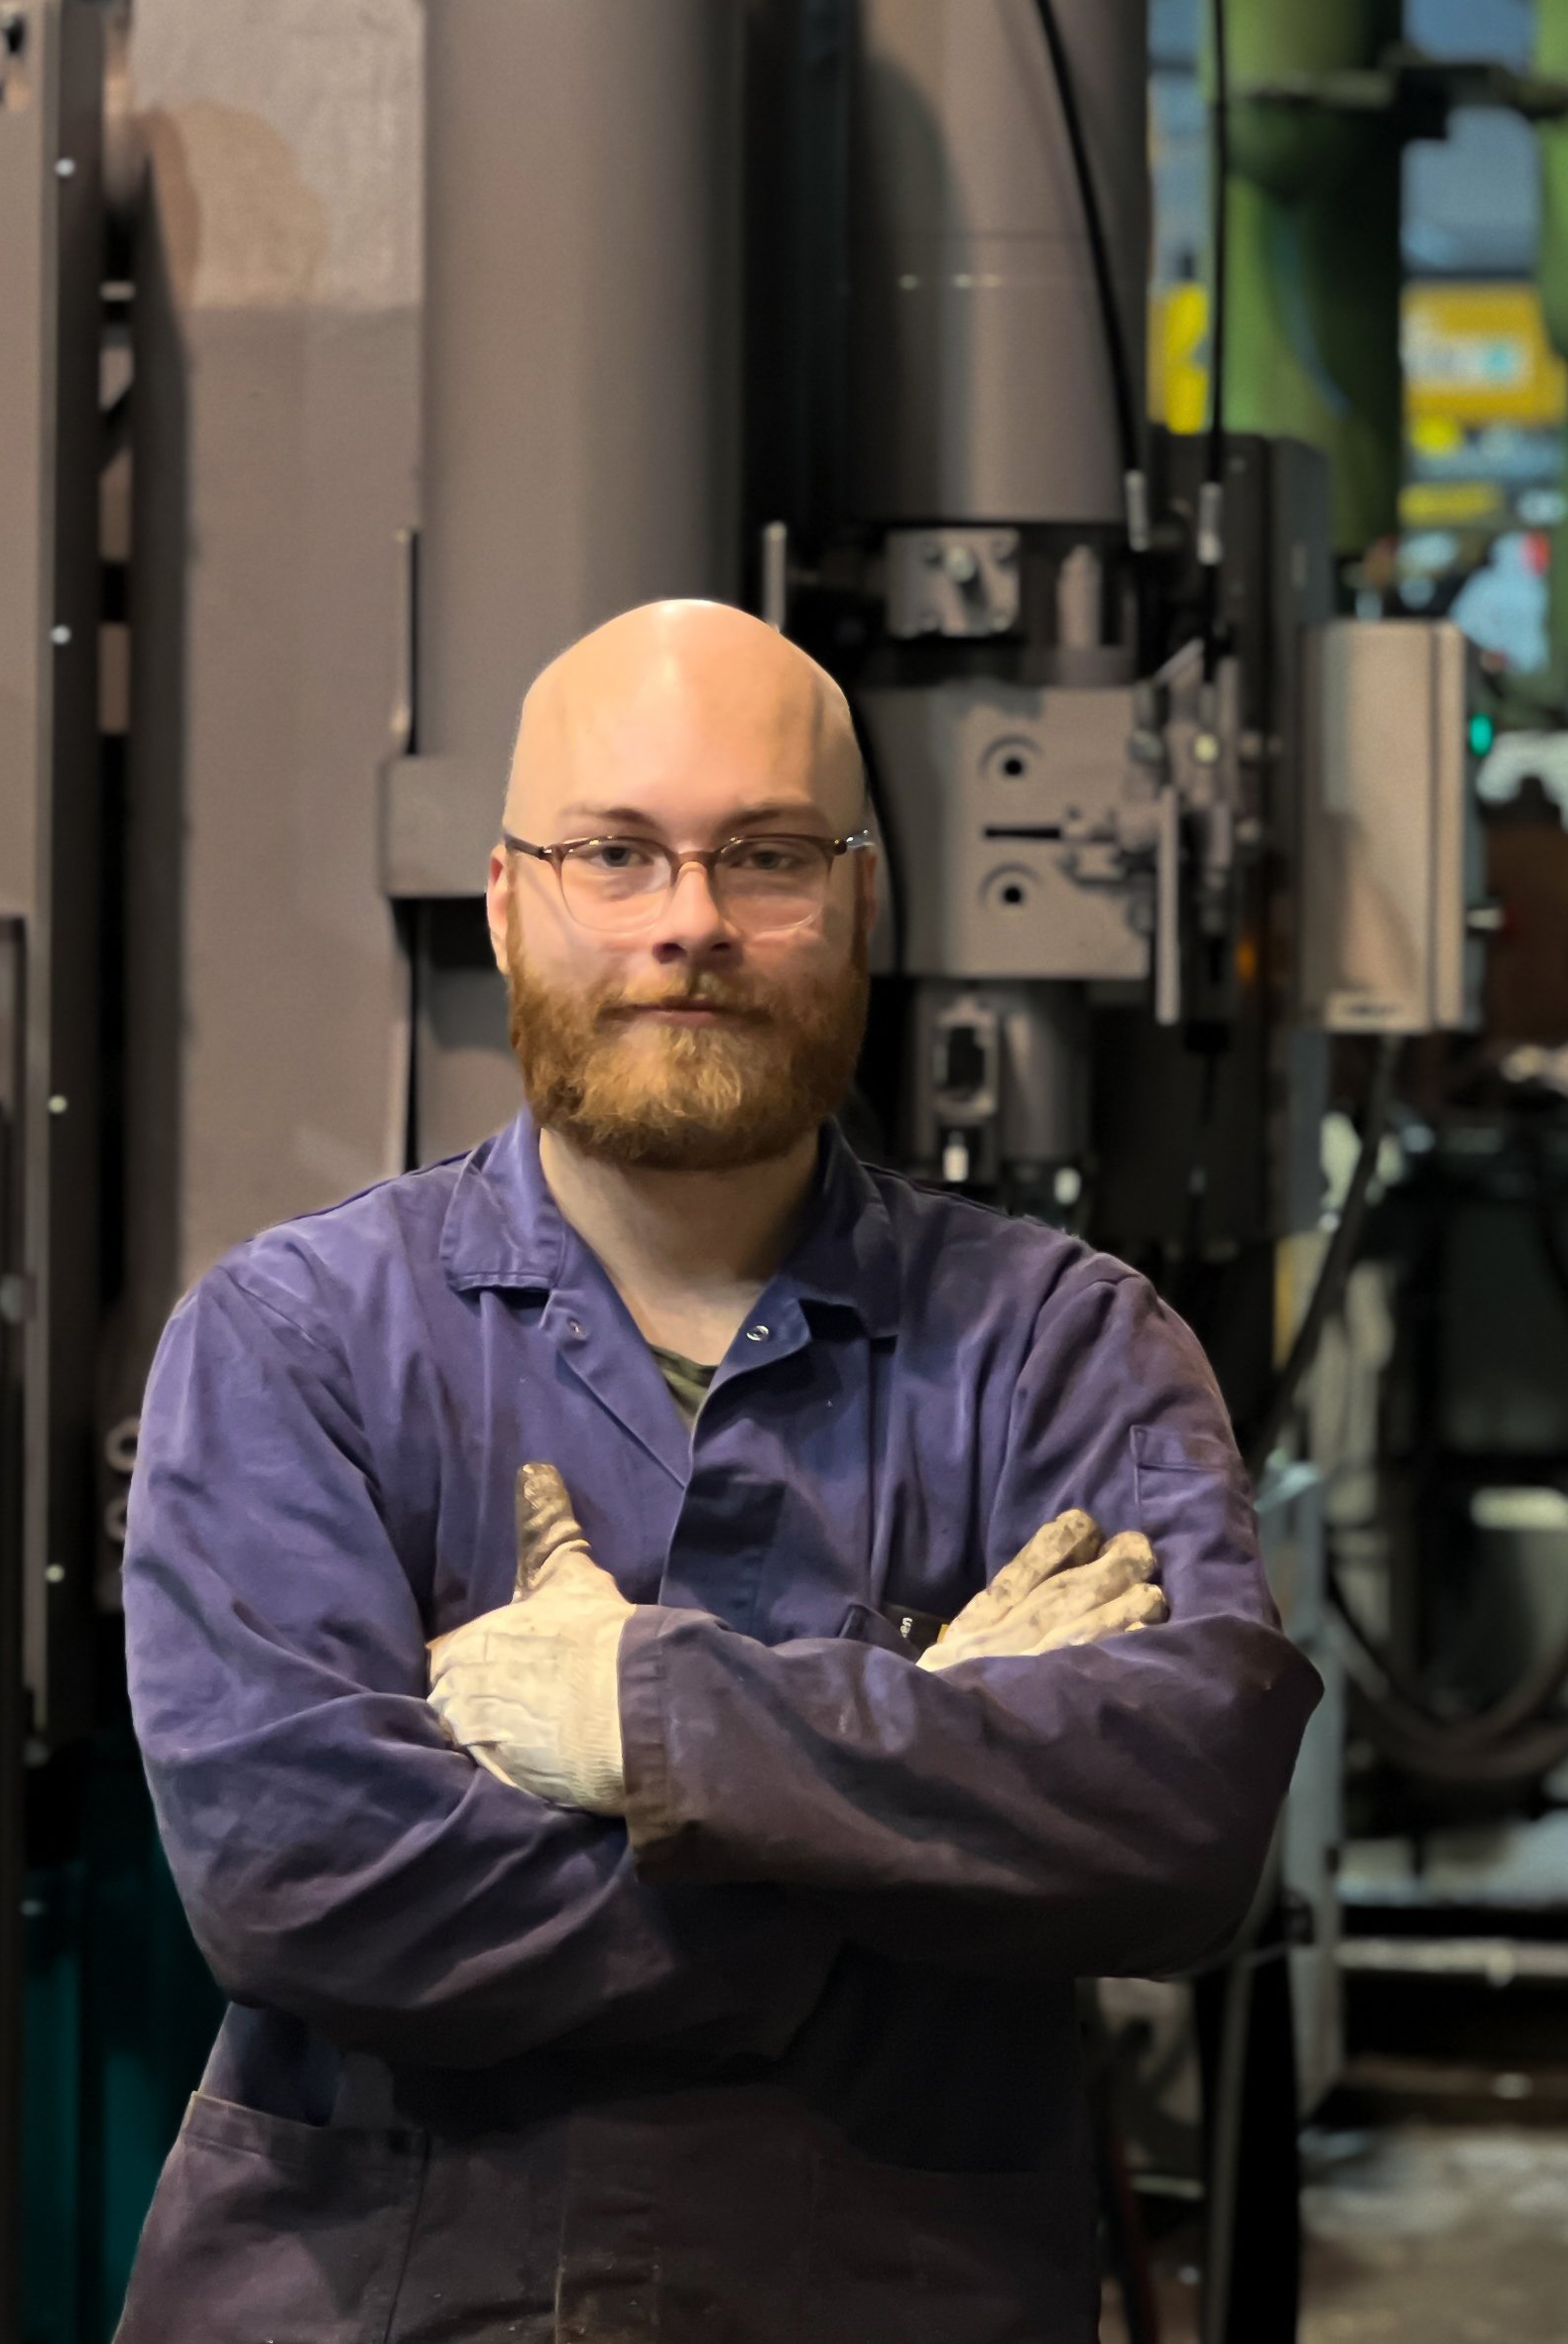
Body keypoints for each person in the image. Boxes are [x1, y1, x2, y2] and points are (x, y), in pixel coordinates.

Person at [117, 600, 1321, 2338]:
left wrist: (641, 1723)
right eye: (615, 853)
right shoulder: (297, 1342)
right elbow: (306, 1887)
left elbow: (1183, 1824)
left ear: (862, 904)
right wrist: (909, 1776)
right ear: (508, 901)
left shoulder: (1057, 1347)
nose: (689, 923)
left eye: (765, 856)